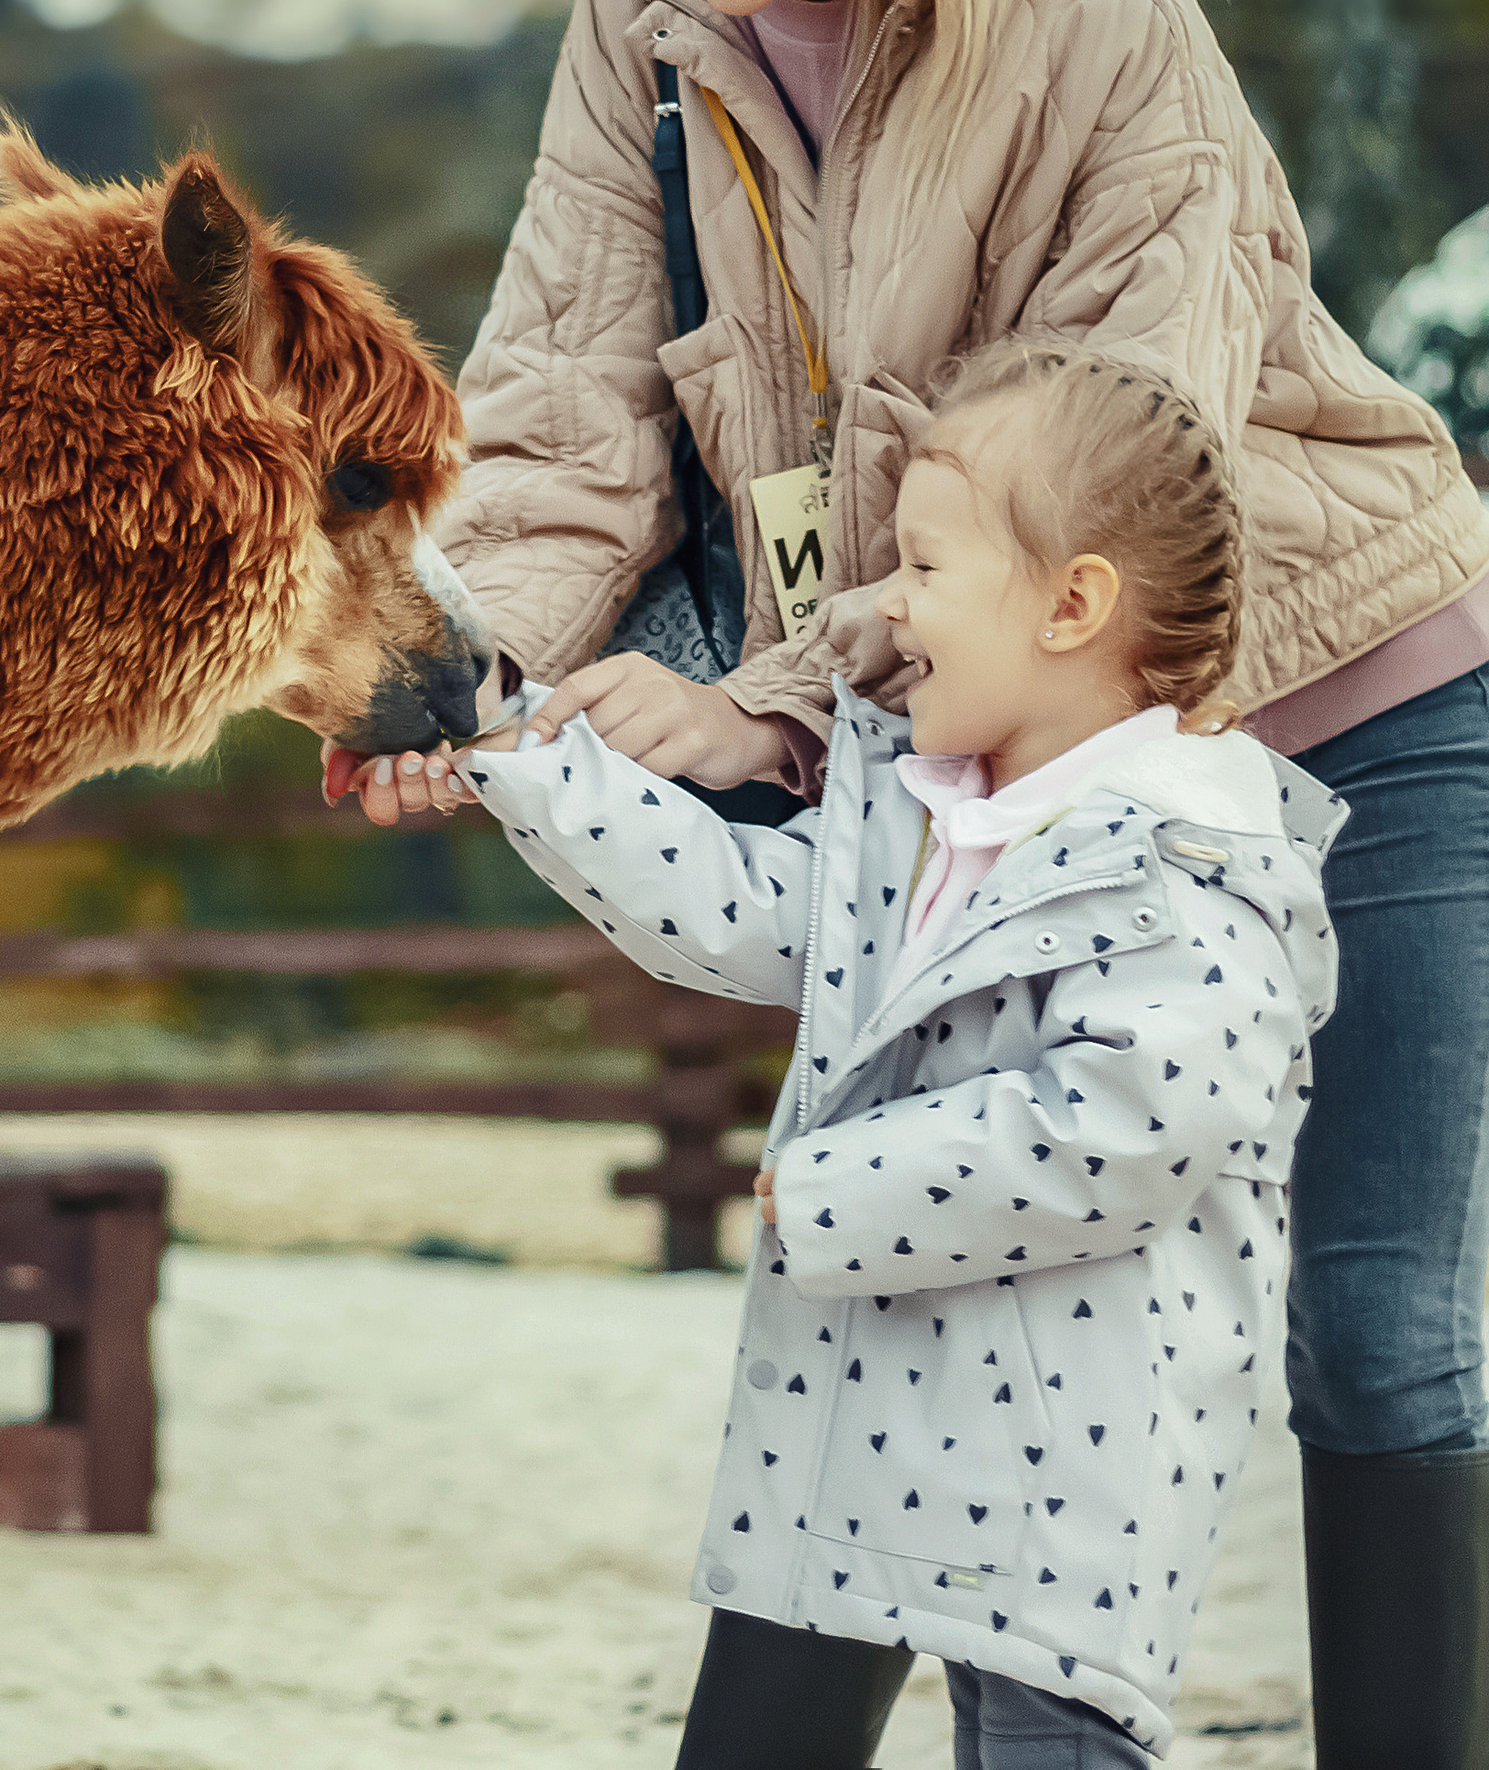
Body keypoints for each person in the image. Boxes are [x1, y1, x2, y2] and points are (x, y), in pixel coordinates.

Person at [343, 0, 1489, 1767]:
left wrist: (762, 704)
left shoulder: (1100, 31)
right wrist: (455, 665)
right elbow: (562, 385)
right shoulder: (639, 11)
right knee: (913, 1291)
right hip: (960, 706)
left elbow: (1097, 506)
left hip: (1332, 691)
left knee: (1367, 1325)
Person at [463, 343, 1339, 1764]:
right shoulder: (928, 814)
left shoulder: (1188, 865)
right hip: (869, 1432)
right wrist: (519, 750)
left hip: (1068, 1487)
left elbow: (1129, 1121)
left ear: (1074, 604)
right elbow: (739, 907)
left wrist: (828, 1190)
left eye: (927, 568)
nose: (886, 608)